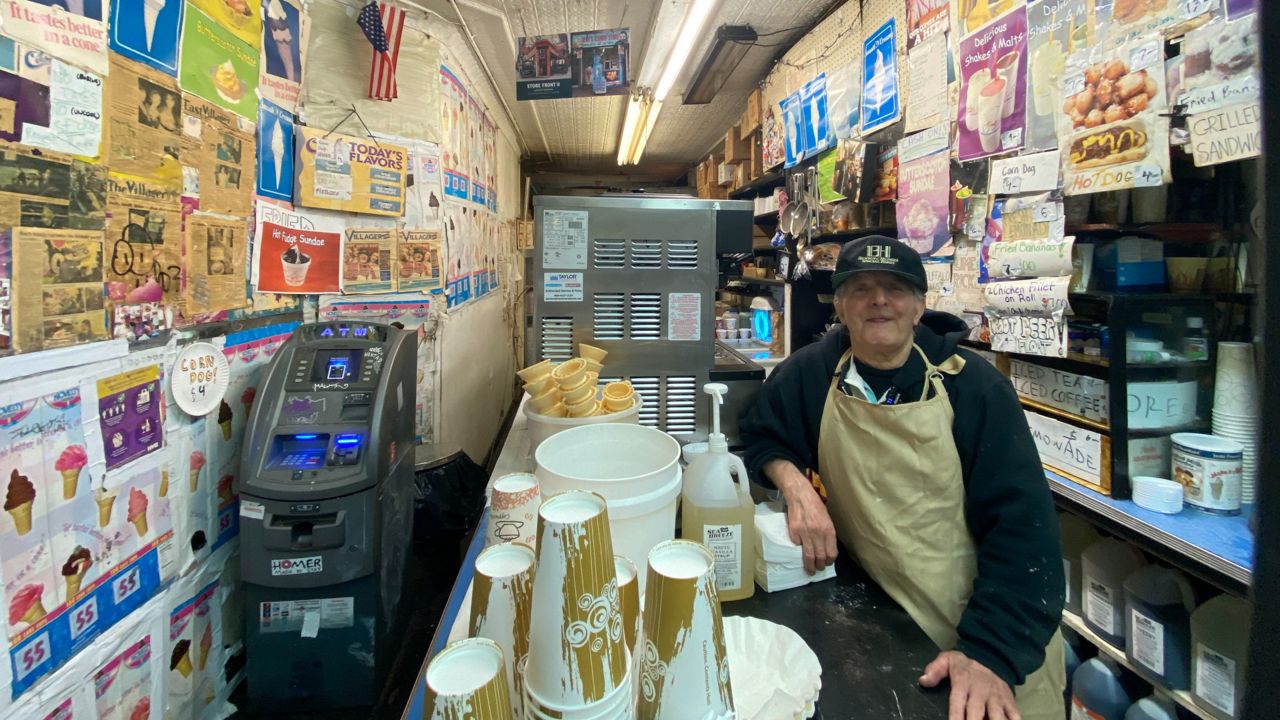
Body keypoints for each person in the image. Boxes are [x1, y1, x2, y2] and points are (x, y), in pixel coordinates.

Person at [740, 236, 1065, 720]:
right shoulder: (813, 372)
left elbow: (1024, 532)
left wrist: (990, 651)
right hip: (887, 619)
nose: (878, 300)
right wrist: (794, 484)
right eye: (861, 288)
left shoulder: (973, 387)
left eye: (895, 288)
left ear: (919, 307)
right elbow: (761, 436)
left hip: (989, 632)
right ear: (842, 308)